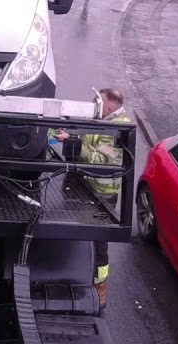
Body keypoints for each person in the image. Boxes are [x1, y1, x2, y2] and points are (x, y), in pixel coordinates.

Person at [53, 88, 131, 309]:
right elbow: (89, 142)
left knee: (98, 241)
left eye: (98, 102)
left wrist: (74, 144)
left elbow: (101, 158)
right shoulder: (104, 120)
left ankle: (100, 287)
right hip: (87, 185)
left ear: (109, 106)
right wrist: (72, 137)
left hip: (101, 194)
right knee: (79, 227)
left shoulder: (117, 130)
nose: (94, 105)